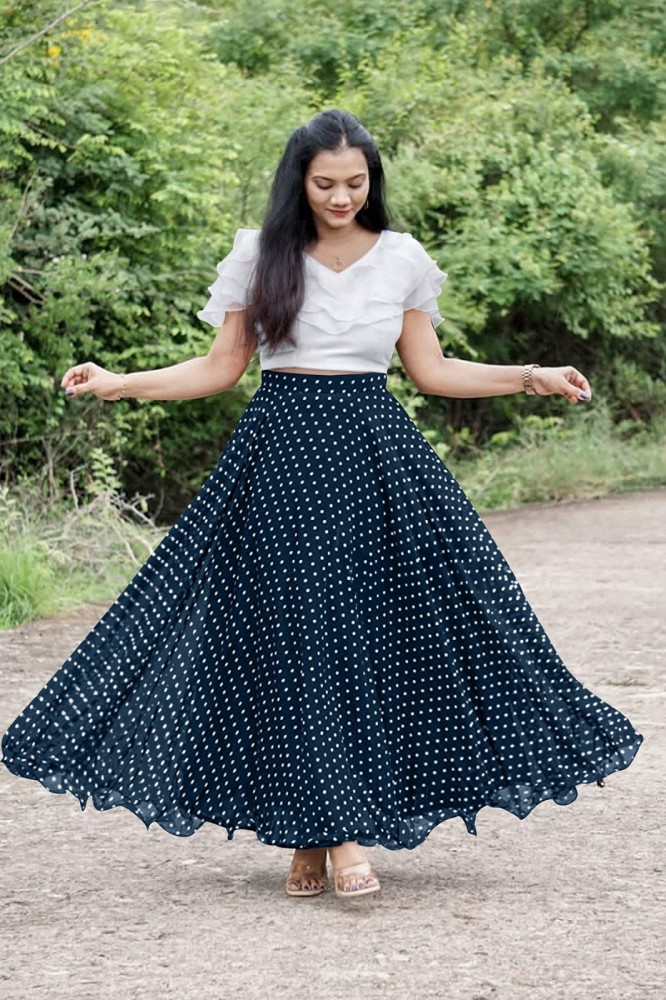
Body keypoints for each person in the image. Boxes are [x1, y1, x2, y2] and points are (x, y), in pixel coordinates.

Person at [1, 109, 643, 901]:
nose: (342, 197)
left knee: (370, 632)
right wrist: (116, 382)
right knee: (296, 634)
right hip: (282, 460)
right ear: (298, 182)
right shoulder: (260, 254)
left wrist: (532, 374)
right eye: (325, 183)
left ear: (372, 181)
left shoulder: (402, 258)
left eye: (356, 183)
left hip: (376, 459)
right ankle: (334, 834)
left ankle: (316, 830)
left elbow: (433, 371)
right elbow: (219, 367)